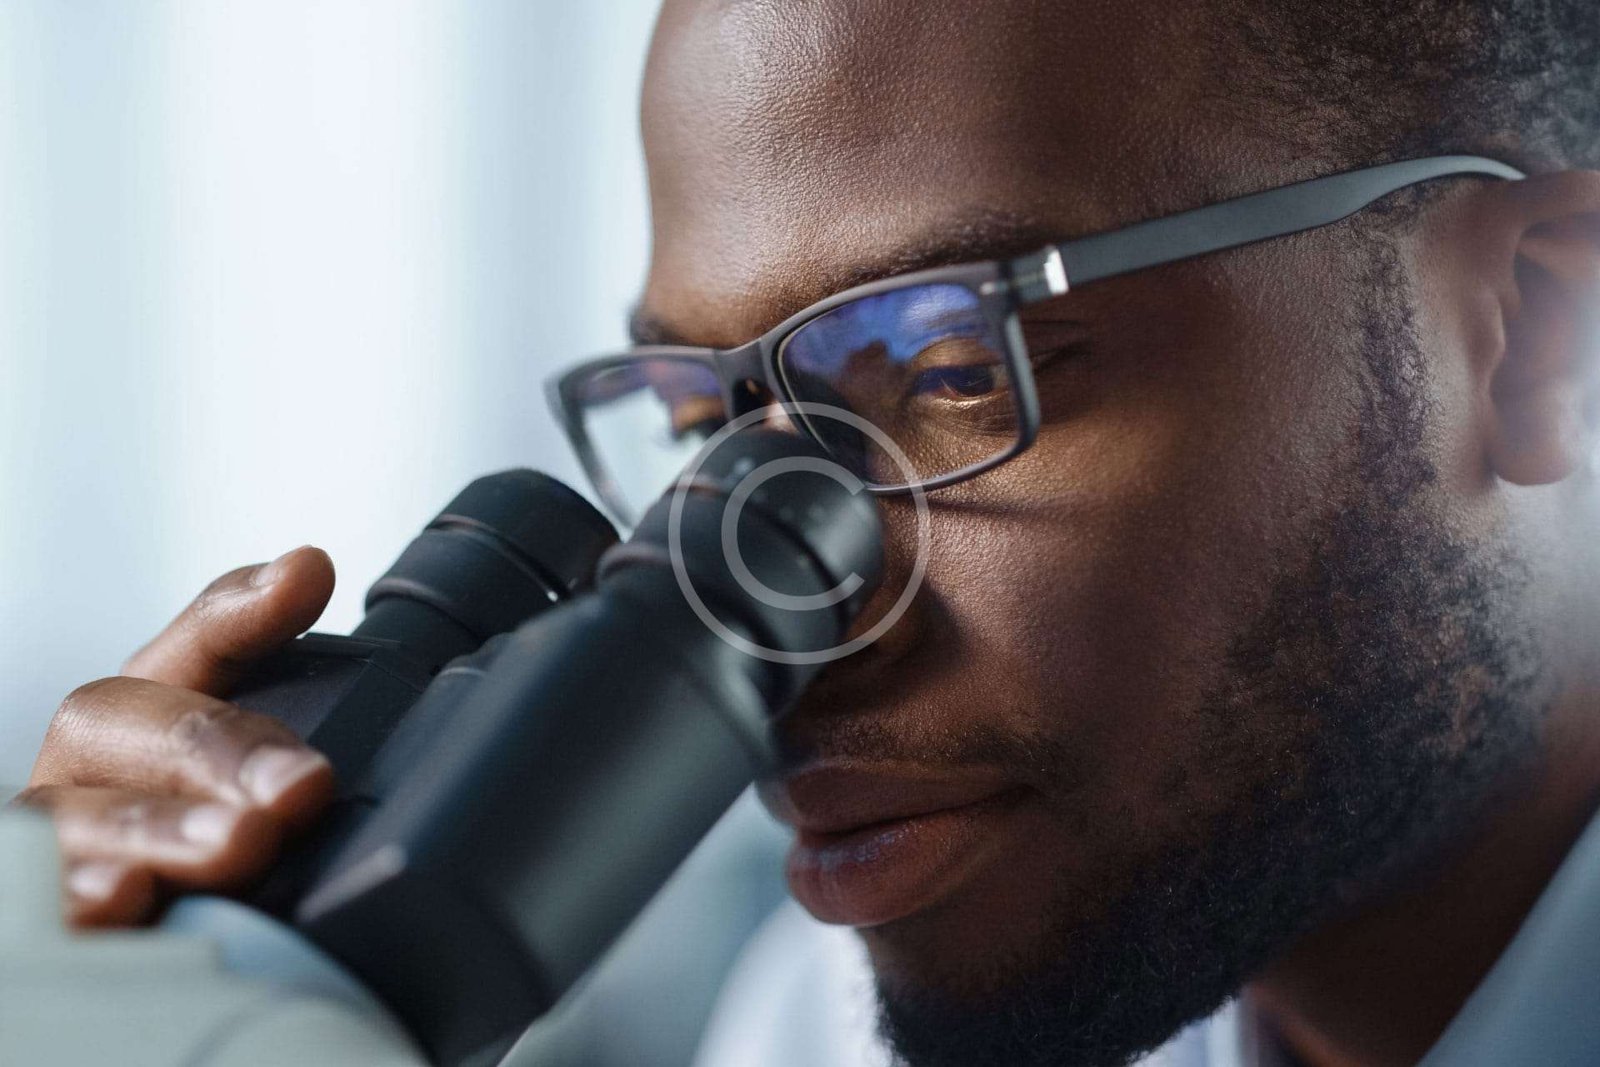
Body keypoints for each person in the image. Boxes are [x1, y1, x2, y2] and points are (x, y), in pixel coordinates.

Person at [15, 2, 1600, 1064]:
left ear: (1535, 333)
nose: (793, 629)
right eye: (714, 438)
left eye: (954, 372)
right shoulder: (818, 1019)